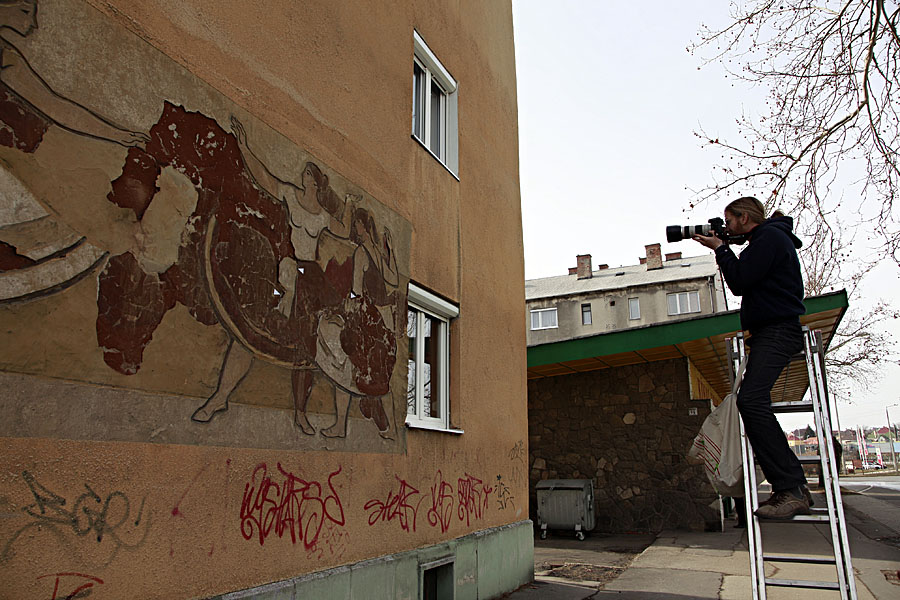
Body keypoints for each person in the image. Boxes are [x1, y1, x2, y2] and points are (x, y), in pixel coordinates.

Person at [694, 196, 812, 519]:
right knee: (750, 401)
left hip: (777, 331)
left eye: (729, 221)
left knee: (750, 401)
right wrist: (723, 246)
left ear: (745, 219)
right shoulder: (766, 240)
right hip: (769, 332)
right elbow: (743, 279)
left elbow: (739, 282)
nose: (727, 227)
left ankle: (790, 486)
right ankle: (792, 486)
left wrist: (720, 249)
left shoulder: (769, 238)